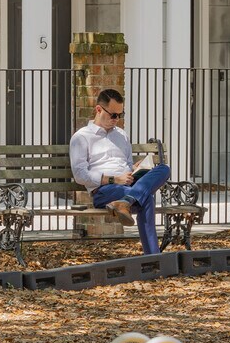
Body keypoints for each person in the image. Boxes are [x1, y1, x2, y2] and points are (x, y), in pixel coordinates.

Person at [69, 88, 170, 255]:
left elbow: (127, 165)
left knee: (163, 169)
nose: (117, 119)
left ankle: (125, 202)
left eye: (120, 115)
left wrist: (135, 169)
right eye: (113, 115)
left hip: (128, 184)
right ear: (99, 109)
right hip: (105, 191)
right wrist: (113, 179)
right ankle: (153, 257)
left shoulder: (122, 135)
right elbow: (80, 175)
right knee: (146, 198)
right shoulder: (81, 137)